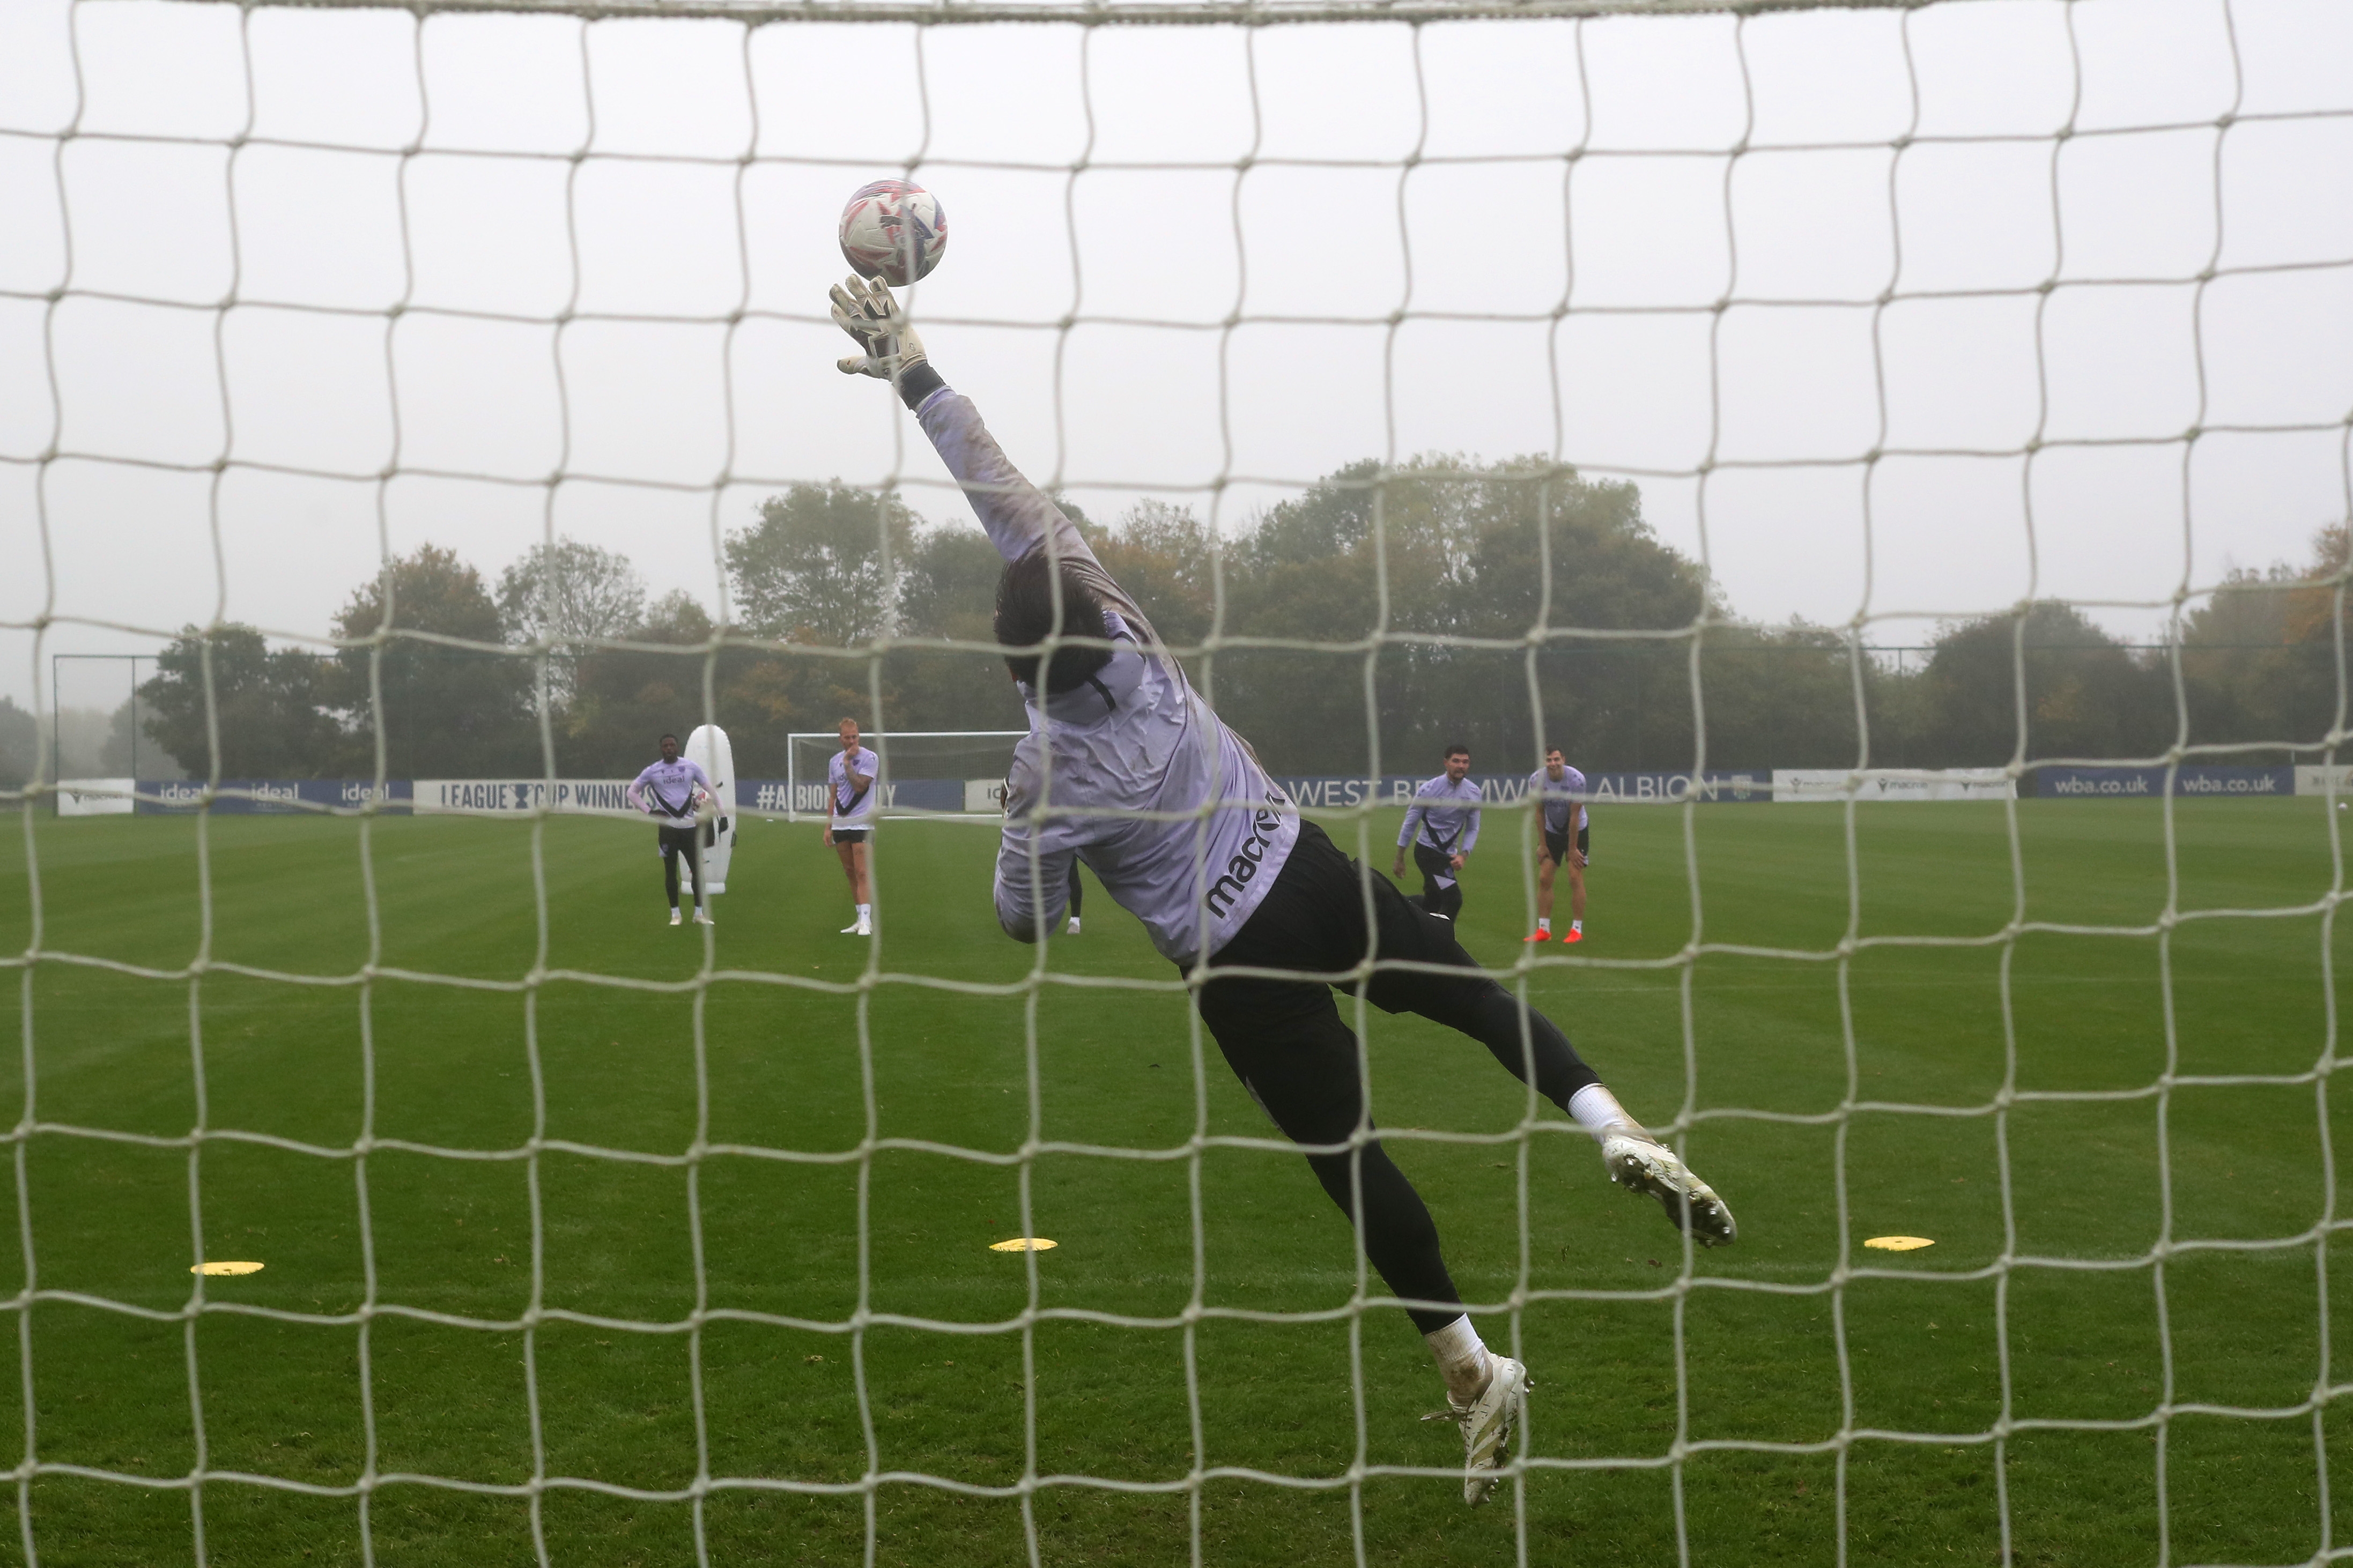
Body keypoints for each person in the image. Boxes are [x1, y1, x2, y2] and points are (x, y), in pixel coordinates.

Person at [830, 271, 1735, 1506]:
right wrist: (918, 374)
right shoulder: (1124, 618)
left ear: (1010, 656)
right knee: (1468, 993)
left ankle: (1473, 1371)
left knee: (1352, 1160)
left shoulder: (1045, 766)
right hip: (1305, 864)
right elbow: (1001, 490)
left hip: (1237, 964)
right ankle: (1605, 1118)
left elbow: (1022, 919)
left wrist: (1041, 859)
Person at [626, 732, 713, 926]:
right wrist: (650, 812)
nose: (669, 748)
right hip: (667, 830)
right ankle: (675, 914)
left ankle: (699, 914)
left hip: (689, 828)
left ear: (677, 747)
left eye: (672, 745)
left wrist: (718, 810)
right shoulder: (652, 771)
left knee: (697, 870)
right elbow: (632, 793)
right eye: (665, 746)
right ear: (661, 749)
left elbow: (708, 788)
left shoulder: (689, 767)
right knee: (670, 871)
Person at [1391, 745, 1481, 923]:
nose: (1461, 766)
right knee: (1453, 899)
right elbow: (1411, 823)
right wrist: (1400, 858)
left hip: (1448, 856)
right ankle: (1443, 943)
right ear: (1446, 763)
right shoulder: (1429, 790)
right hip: (1427, 853)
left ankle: (1398, 904)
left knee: (1432, 903)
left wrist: (1464, 855)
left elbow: (1472, 828)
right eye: (1456, 761)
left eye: (1465, 762)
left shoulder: (1474, 793)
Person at [1525, 747, 1588, 944]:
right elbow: (1539, 813)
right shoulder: (1536, 780)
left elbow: (1575, 816)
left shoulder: (1576, 780)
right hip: (1552, 831)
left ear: (1563, 759)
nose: (1553, 764)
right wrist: (1542, 845)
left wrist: (1572, 849)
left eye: (1556, 759)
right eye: (1549, 760)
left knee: (1574, 876)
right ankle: (1544, 929)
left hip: (1576, 830)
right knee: (1544, 878)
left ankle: (1576, 930)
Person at [827, 717, 879, 936]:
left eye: (854, 736)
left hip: (863, 822)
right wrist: (828, 826)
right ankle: (859, 918)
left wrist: (848, 763)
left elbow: (860, 787)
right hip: (841, 823)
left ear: (859, 735)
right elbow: (833, 795)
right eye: (847, 737)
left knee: (862, 871)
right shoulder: (833, 761)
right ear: (840, 739)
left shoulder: (870, 758)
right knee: (849, 871)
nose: (851, 741)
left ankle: (867, 921)